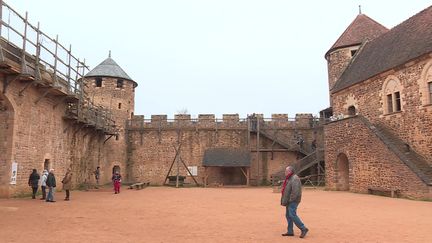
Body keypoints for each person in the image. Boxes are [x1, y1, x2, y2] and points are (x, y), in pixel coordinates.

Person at [280, 166, 309, 238]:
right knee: (288, 215)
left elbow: (295, 192)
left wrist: (290, 200)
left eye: (286, 171)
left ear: (290, 171)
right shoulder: (289, 178)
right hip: (289, 200)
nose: (285, 172)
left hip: (293, 200)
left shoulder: (294, 178)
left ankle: (303, 228)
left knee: (292, 214)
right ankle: (290, 231)